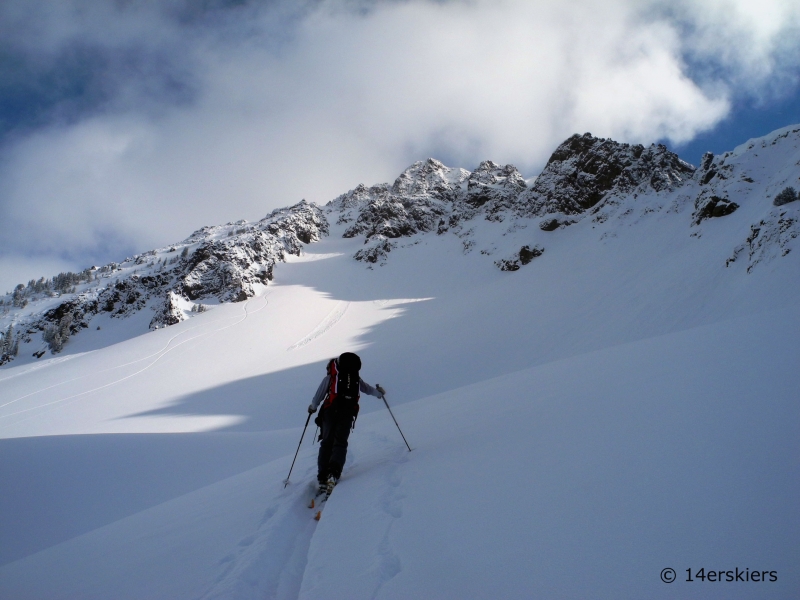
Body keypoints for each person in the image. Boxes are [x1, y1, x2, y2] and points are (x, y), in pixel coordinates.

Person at [308, 352, 385, 493]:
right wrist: (379, 393)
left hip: (330, 412)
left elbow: (319, 394)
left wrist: (313, 407)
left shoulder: (331, 377)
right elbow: (366, 389)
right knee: (340, 442)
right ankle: (334, 474)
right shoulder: (355, 378)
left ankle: (322, 476)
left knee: (326, 443)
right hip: (348, 412)